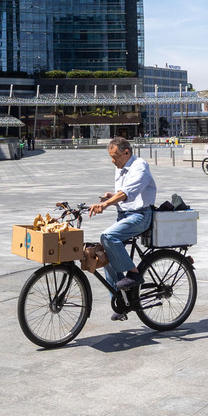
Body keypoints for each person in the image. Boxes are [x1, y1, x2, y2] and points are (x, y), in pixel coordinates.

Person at [89, 136, 157, 321]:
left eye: (115, 156)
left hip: (140, 216)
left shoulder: (139, 166)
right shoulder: (120, 167)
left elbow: (128, 193)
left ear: (126, 152)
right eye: (111, 156)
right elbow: (122, 192)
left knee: (108, 236)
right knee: (104, 253)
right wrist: (111, 196)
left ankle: (134, 274)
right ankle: (121, 301)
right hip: (124, 215)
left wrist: (106, 204)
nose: (113, 160)